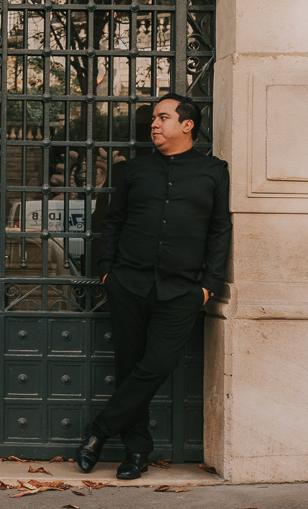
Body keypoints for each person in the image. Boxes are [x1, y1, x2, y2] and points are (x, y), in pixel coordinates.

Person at [78, 92, 231, 480]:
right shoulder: (133, 171)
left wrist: (208, 285)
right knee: (130, 368)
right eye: (153, 119)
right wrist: (108, 272)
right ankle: (136, 452)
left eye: (162, 117)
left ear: (187, 124)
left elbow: (219, 229)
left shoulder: (214, 172)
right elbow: (111, 222)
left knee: (156, 365)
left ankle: (100, 430)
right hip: (128, 284)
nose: (154, 124)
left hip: (182, 291)